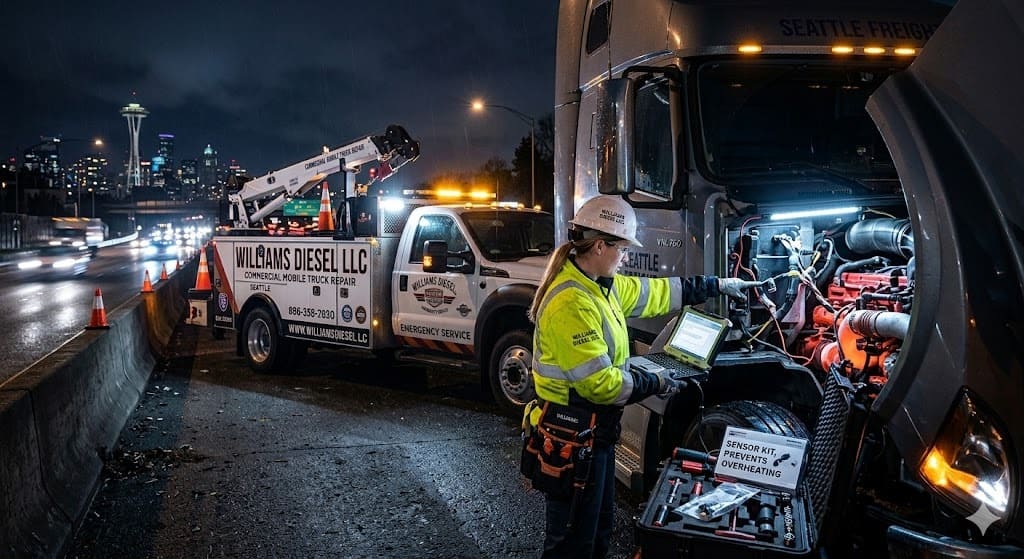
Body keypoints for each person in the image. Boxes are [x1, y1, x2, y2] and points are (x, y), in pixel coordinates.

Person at [526, 195, 756, 558]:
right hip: (572, 435)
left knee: (596, 533)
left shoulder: (602, 285)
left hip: (591, 436)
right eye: (623, 248)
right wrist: (658, 379)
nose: (627, 256)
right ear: (600, 245)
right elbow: (601, 386)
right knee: (572, 544)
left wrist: (718, 285)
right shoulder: (572, 302)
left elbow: (661, 293)